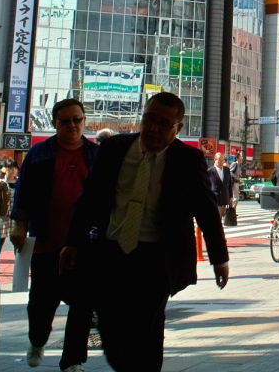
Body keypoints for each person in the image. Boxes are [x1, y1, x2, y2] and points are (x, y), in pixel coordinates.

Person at [62, 92, 229, 371]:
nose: (153, 127)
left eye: (164, 123)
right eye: (150, 118)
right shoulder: (114, 148)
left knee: (144, 327)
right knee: (112, 330)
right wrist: (72, 242)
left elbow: (207, 211)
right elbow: (89, 198)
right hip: (111, 253)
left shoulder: (188, 160)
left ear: (178, 129)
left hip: (156, 258)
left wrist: (219, 259)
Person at [11, 98, 99, 371]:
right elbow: (23, 194)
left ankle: (73, 361)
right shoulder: (39, 154)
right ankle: (37, 341)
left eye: (77, 120)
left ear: (85, 121)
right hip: (46, 244)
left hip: (85, 244)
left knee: (83, 306)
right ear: (54, 123)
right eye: (64, 121)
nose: (71, 125)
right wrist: (19, 224)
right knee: (41, 304)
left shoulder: (96, 155)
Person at [0, 160, 18, 274]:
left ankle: (19, 266)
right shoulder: (0, 184)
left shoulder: (19, 183)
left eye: (15, 168)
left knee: (17, 242)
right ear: (5, 170)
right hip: (3, 216)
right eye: (10, 168)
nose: (13, 171)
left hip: (15, 217)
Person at [208, 151, 237, 219]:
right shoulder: (210, 171)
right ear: (215, 160)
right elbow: (207, 186)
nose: (221, 162)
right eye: (219, 160)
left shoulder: (226, 170)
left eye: (222, 160)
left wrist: (231, 196)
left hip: (224, 197)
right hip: (214, 197)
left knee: (220, 217)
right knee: (215, 218)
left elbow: (229, 183)